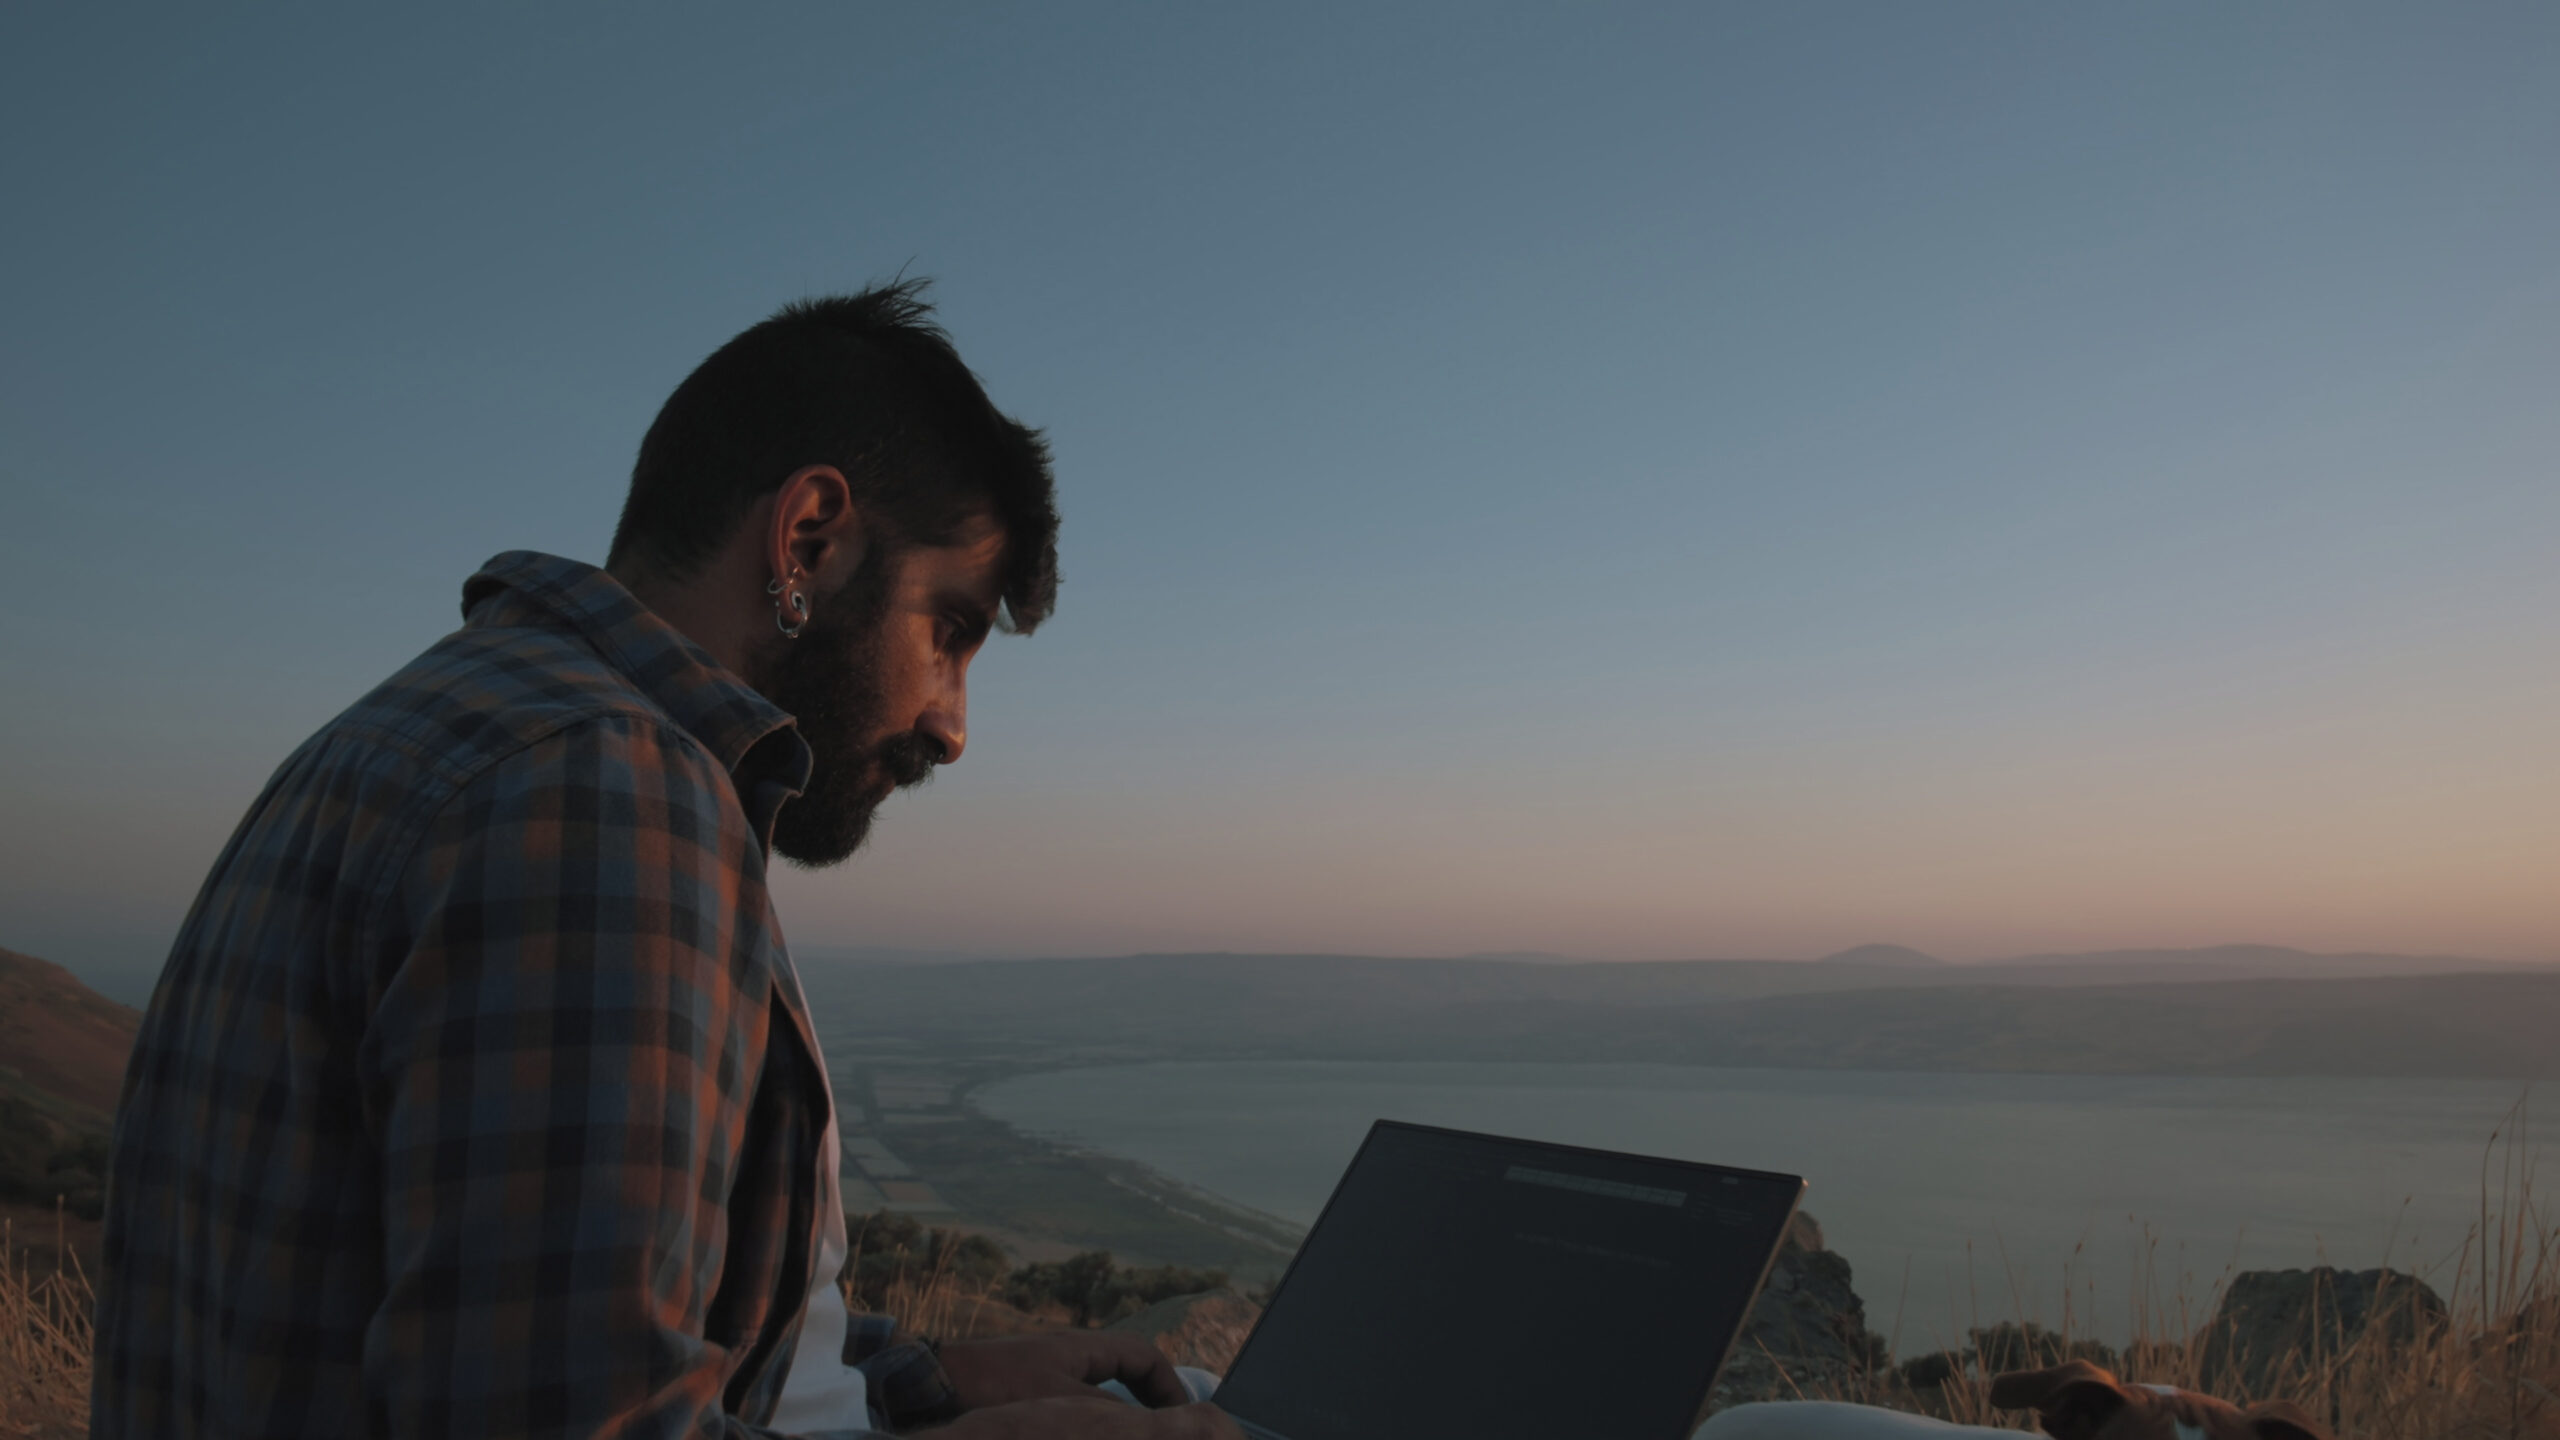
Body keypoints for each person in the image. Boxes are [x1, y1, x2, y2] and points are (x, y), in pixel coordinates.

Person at [93, 282, 1242, 1439]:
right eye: (948, 630)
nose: (952, 724)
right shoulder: (602, 791)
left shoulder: (421, 733)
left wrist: (917, 1385)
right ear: (808, 541)